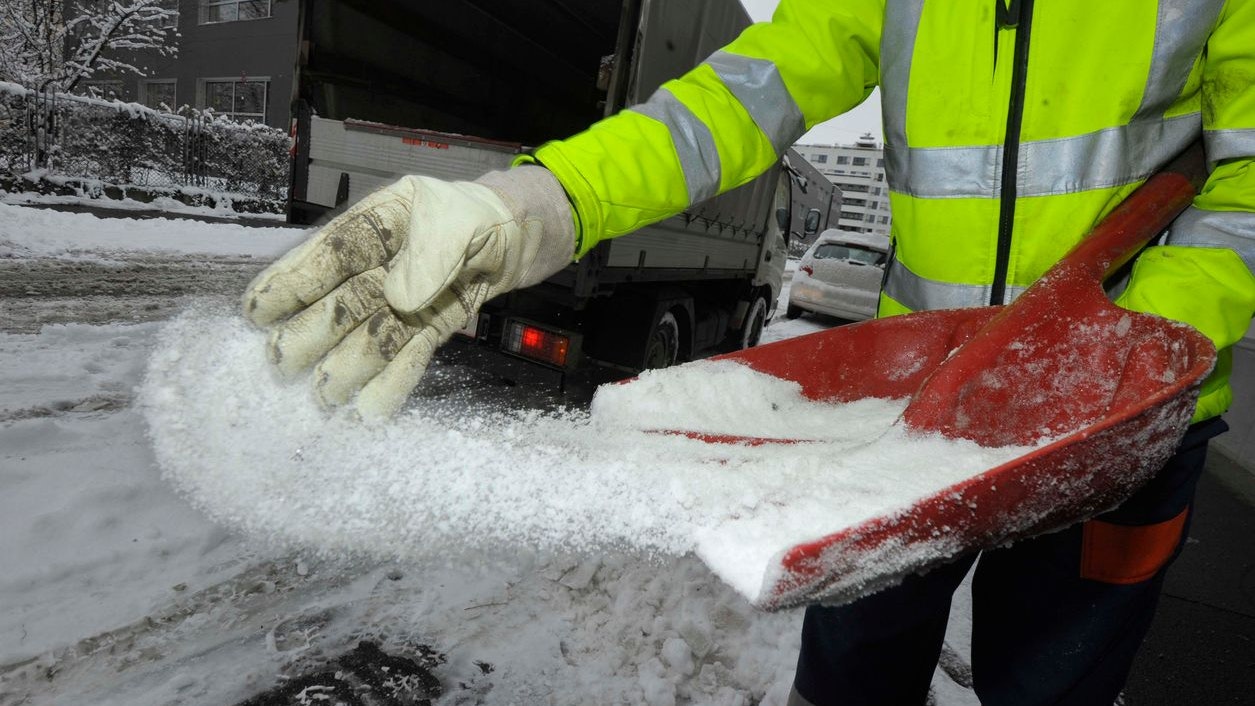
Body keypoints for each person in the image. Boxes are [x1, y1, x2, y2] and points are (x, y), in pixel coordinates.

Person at [242, 1, 1255, 703]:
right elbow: (729, 102)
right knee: (852, 675)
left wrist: (1141, 335)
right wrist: (542, 203)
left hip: (1122, 425)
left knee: (1053, 687)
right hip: (912, 415)